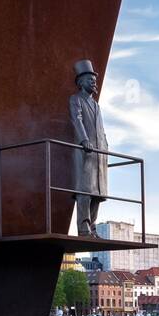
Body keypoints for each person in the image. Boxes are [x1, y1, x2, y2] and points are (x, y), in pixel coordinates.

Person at [68, 58, 109, 236]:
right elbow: (76, 120)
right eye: (90, 79)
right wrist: (84, 140)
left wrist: (105, 145)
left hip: (99, 153)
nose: (94, 82)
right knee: (85, 190)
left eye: (95, 80)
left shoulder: (96, 105)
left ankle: (92, 226)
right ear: (81, 82)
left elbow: (101, 128)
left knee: (98, 193)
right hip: (85, 151)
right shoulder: (76, 99)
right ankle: (83, 227)